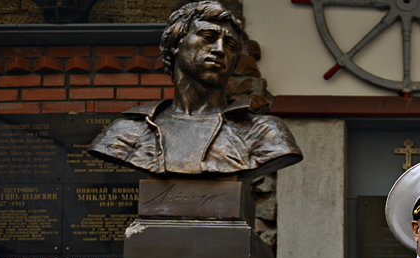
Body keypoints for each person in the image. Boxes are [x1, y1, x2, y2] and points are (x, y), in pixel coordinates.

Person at [89, 0, 301, 178]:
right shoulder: (127, 133)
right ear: (176, 44)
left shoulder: (264, 133)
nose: (219, 50)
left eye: (230, 45)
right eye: (208, 37)